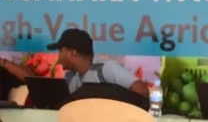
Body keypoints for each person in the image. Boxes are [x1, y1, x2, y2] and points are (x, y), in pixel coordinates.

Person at [0, 29, 148, 98]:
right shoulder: (72, 77)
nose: (58, 57)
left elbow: (141, 89)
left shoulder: (105, 68)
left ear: (72, 53)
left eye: (61, 51)